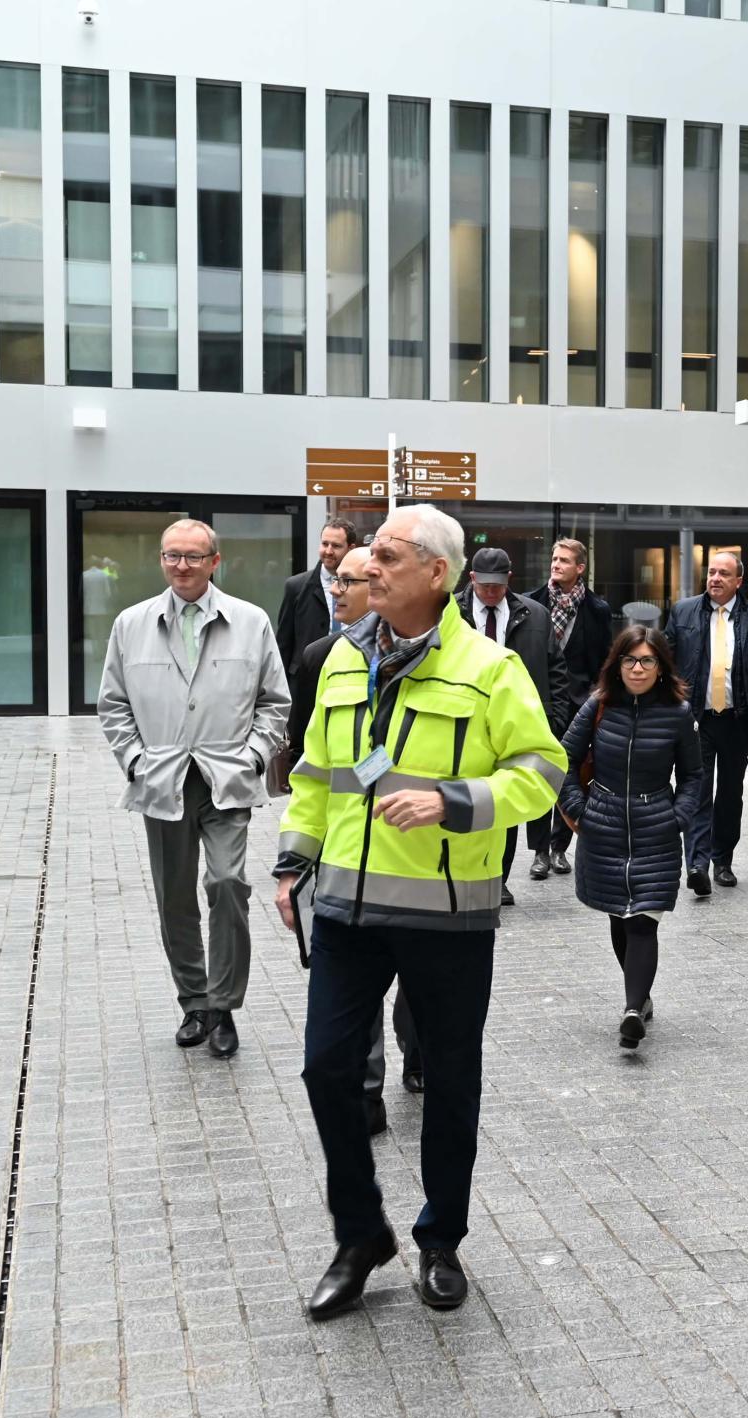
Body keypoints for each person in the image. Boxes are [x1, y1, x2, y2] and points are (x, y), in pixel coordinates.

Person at [273, 504, 566, 1320]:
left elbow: (544, 768)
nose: (368, 567)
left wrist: (453, 802)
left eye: (388, 557)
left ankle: (441, 1240)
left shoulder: (490, 669)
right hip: (345, 910)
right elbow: (317, 777)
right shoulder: (336, 661)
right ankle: (362, 1233)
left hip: (447, 917)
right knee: (328, 1067)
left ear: (436, 573)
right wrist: (295, 861)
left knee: (449, 1083)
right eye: (367, 558)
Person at [98, 519, 291, 1060]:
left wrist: (254, 754)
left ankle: (224, 1005)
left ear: (214, 561)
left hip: (225, 779)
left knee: (228, 883)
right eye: (171, 556)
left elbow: (276, 702)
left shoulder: (250, 623)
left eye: (191, 556)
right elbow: (112, 704)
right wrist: (135, 759)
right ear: (162, 560)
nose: (180, 566)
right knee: (174, 896)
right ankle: (194, 1002)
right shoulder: (131, 624)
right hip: (161, 781)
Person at [278, 546, 405, 1133]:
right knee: (358, 987)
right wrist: (295, 859)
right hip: (347, 857)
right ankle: (367, 1088)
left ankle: (419, 1052)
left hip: (421, 860)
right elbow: (312, 757)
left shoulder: (452, 656)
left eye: (349, 579)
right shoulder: (323, 657)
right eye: (340, 580)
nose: (338, 589)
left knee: (417, 988)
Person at [557, 626, 706, 1048]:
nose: (637, 668)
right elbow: (562, 759)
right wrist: (578, 810)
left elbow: (694, 775)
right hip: (602, 827)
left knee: (643, 920)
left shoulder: (678, 712)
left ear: (661, 667)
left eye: (646, 661)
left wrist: (676, 817)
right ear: (617, 664)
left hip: (654, 828)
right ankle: (639, 996)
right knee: (618, 917)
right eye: (630, 660)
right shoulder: (598, 706)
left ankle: (632, 1009)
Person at [455, 546, 569, 906]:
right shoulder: (450, 614)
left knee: (501, 805)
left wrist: (554, 722)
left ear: (510, 580)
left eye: (498, 584)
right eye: (484, 584)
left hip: (515, 724)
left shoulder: (534, 615)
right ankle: (463, 873)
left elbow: (557, 672)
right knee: (467, 798)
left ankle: (498, 879)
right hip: (464, 722)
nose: (491, 591)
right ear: (471, 578)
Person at [667, 548, 748, 896]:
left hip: (736, 720)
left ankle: (723, 860)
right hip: (696, 720)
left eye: (723, 574)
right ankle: (698, 864)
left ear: (739, 581)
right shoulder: (684, 611)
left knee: (730, 796)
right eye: (711, 572)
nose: (715, 579)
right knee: (697, 793)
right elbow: (665, 659)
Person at [524, 538, 615, 882]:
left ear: (580, 568)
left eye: (564, 560)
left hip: (579, 707)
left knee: (570, 777)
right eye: (554, 558)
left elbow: (603, 662)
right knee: (537, 776)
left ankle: (560, 847)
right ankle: (539, 851)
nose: (556, 564)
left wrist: (596, 703)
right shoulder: (532, 604)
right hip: (540, 704)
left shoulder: (597, 610)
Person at [277, 521, 358, 686]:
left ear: (350, 548)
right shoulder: (296, 586)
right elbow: (284, 643)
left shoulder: (363, 585)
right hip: (304, 682)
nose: (328, 551)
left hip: (348, 677)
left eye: (336, 546)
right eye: (324, 544)